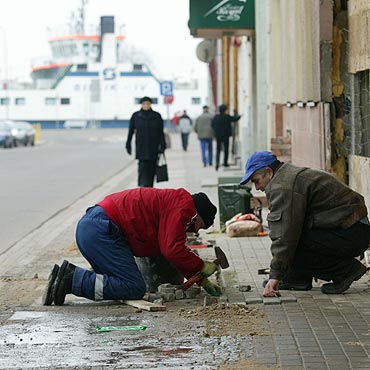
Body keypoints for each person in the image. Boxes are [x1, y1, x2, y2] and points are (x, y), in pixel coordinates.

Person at [42, 188, 221, 306]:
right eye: (200, 225)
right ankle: (70, 279)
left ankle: (64, 277)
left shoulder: (174, 202)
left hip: (95, 227)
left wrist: (199, 278)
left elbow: (171, 246)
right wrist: (200, 266)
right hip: (102, 230)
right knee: (133, 287)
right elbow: (172, 249)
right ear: (197, 215)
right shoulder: (184, 207)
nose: (196, 230)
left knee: (114, 281)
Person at [240, 151, 370, 297]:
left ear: (269, 172)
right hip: (352, 230)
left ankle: (344, 271)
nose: (257, 187)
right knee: (293, 236)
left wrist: (275, 276)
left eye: (256, 180)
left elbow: (284, 236)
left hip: (352, 234)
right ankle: (298, 278)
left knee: (292, 240)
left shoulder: (283, 186)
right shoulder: (286, 175)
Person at [125, 96, 166, 187]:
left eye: (148, 104)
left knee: (151, 169)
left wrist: (163, 145)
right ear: (141, 105)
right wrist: (128, 144)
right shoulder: (136, 116)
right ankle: (143, 187)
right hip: (141, 147)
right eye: (144, 104)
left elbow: (161, 132)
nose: (146, 105)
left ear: (150, 104)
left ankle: (150, 188)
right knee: (142, 168)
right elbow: (131, 131)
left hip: (153, 147)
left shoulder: (156, 116)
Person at [211, 104, 240, 170]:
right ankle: (225, 163)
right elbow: (234, 119)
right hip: (226, 135)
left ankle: (217, 163)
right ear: (225, 110)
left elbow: (212, 124)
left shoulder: (216, 117)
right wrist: (238, 115)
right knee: (226, 149)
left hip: (218, 135)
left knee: (218, 149)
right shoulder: (226, 117)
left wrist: (216, 130)